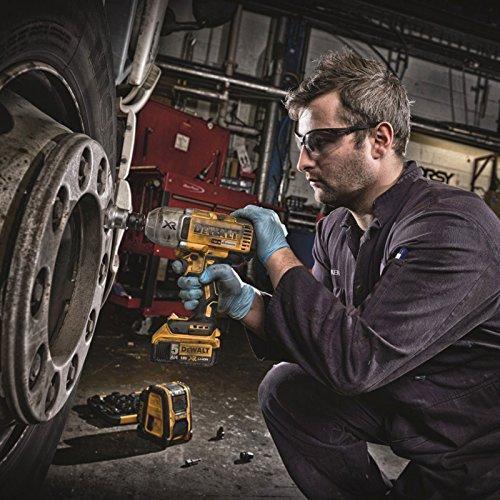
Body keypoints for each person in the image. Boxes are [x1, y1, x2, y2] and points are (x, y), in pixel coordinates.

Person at [175, 51, 500, 499]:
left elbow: (354, 363)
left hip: (477, 435)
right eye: (301, 143)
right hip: (406, 393)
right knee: (289, 390)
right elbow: (322, 339)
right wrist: (247, 304)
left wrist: (277, 254)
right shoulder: (336, 228)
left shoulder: (451, 228)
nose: (302, 163)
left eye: (319, 142)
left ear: (379, 140)